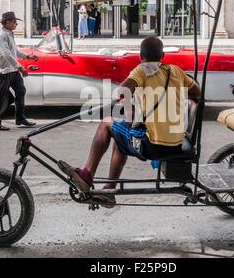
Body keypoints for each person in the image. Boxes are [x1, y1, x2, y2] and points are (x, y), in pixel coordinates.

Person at [58, 37, 202, 207]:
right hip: (176, 142)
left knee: (106, 123)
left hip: (153, 145)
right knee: (121, 137)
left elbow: (123, 90)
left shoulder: (142, 70)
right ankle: (110, 188)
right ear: (162, 55)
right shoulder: (176, 71)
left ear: (141, 56)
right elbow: (197, 91)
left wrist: (131, 112)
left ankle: (87, 175)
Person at [0, 11, 38, 131]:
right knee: (0, 96)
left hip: (12, 70)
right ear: (7, 22)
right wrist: (20, 67)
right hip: (4, 71)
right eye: (14, 21)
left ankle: (20, 118)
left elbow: (14, 51)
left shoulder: (9, 33)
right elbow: (7, 54)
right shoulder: (1, 35)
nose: (16, 24)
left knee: (21, 91)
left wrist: (27, 56)